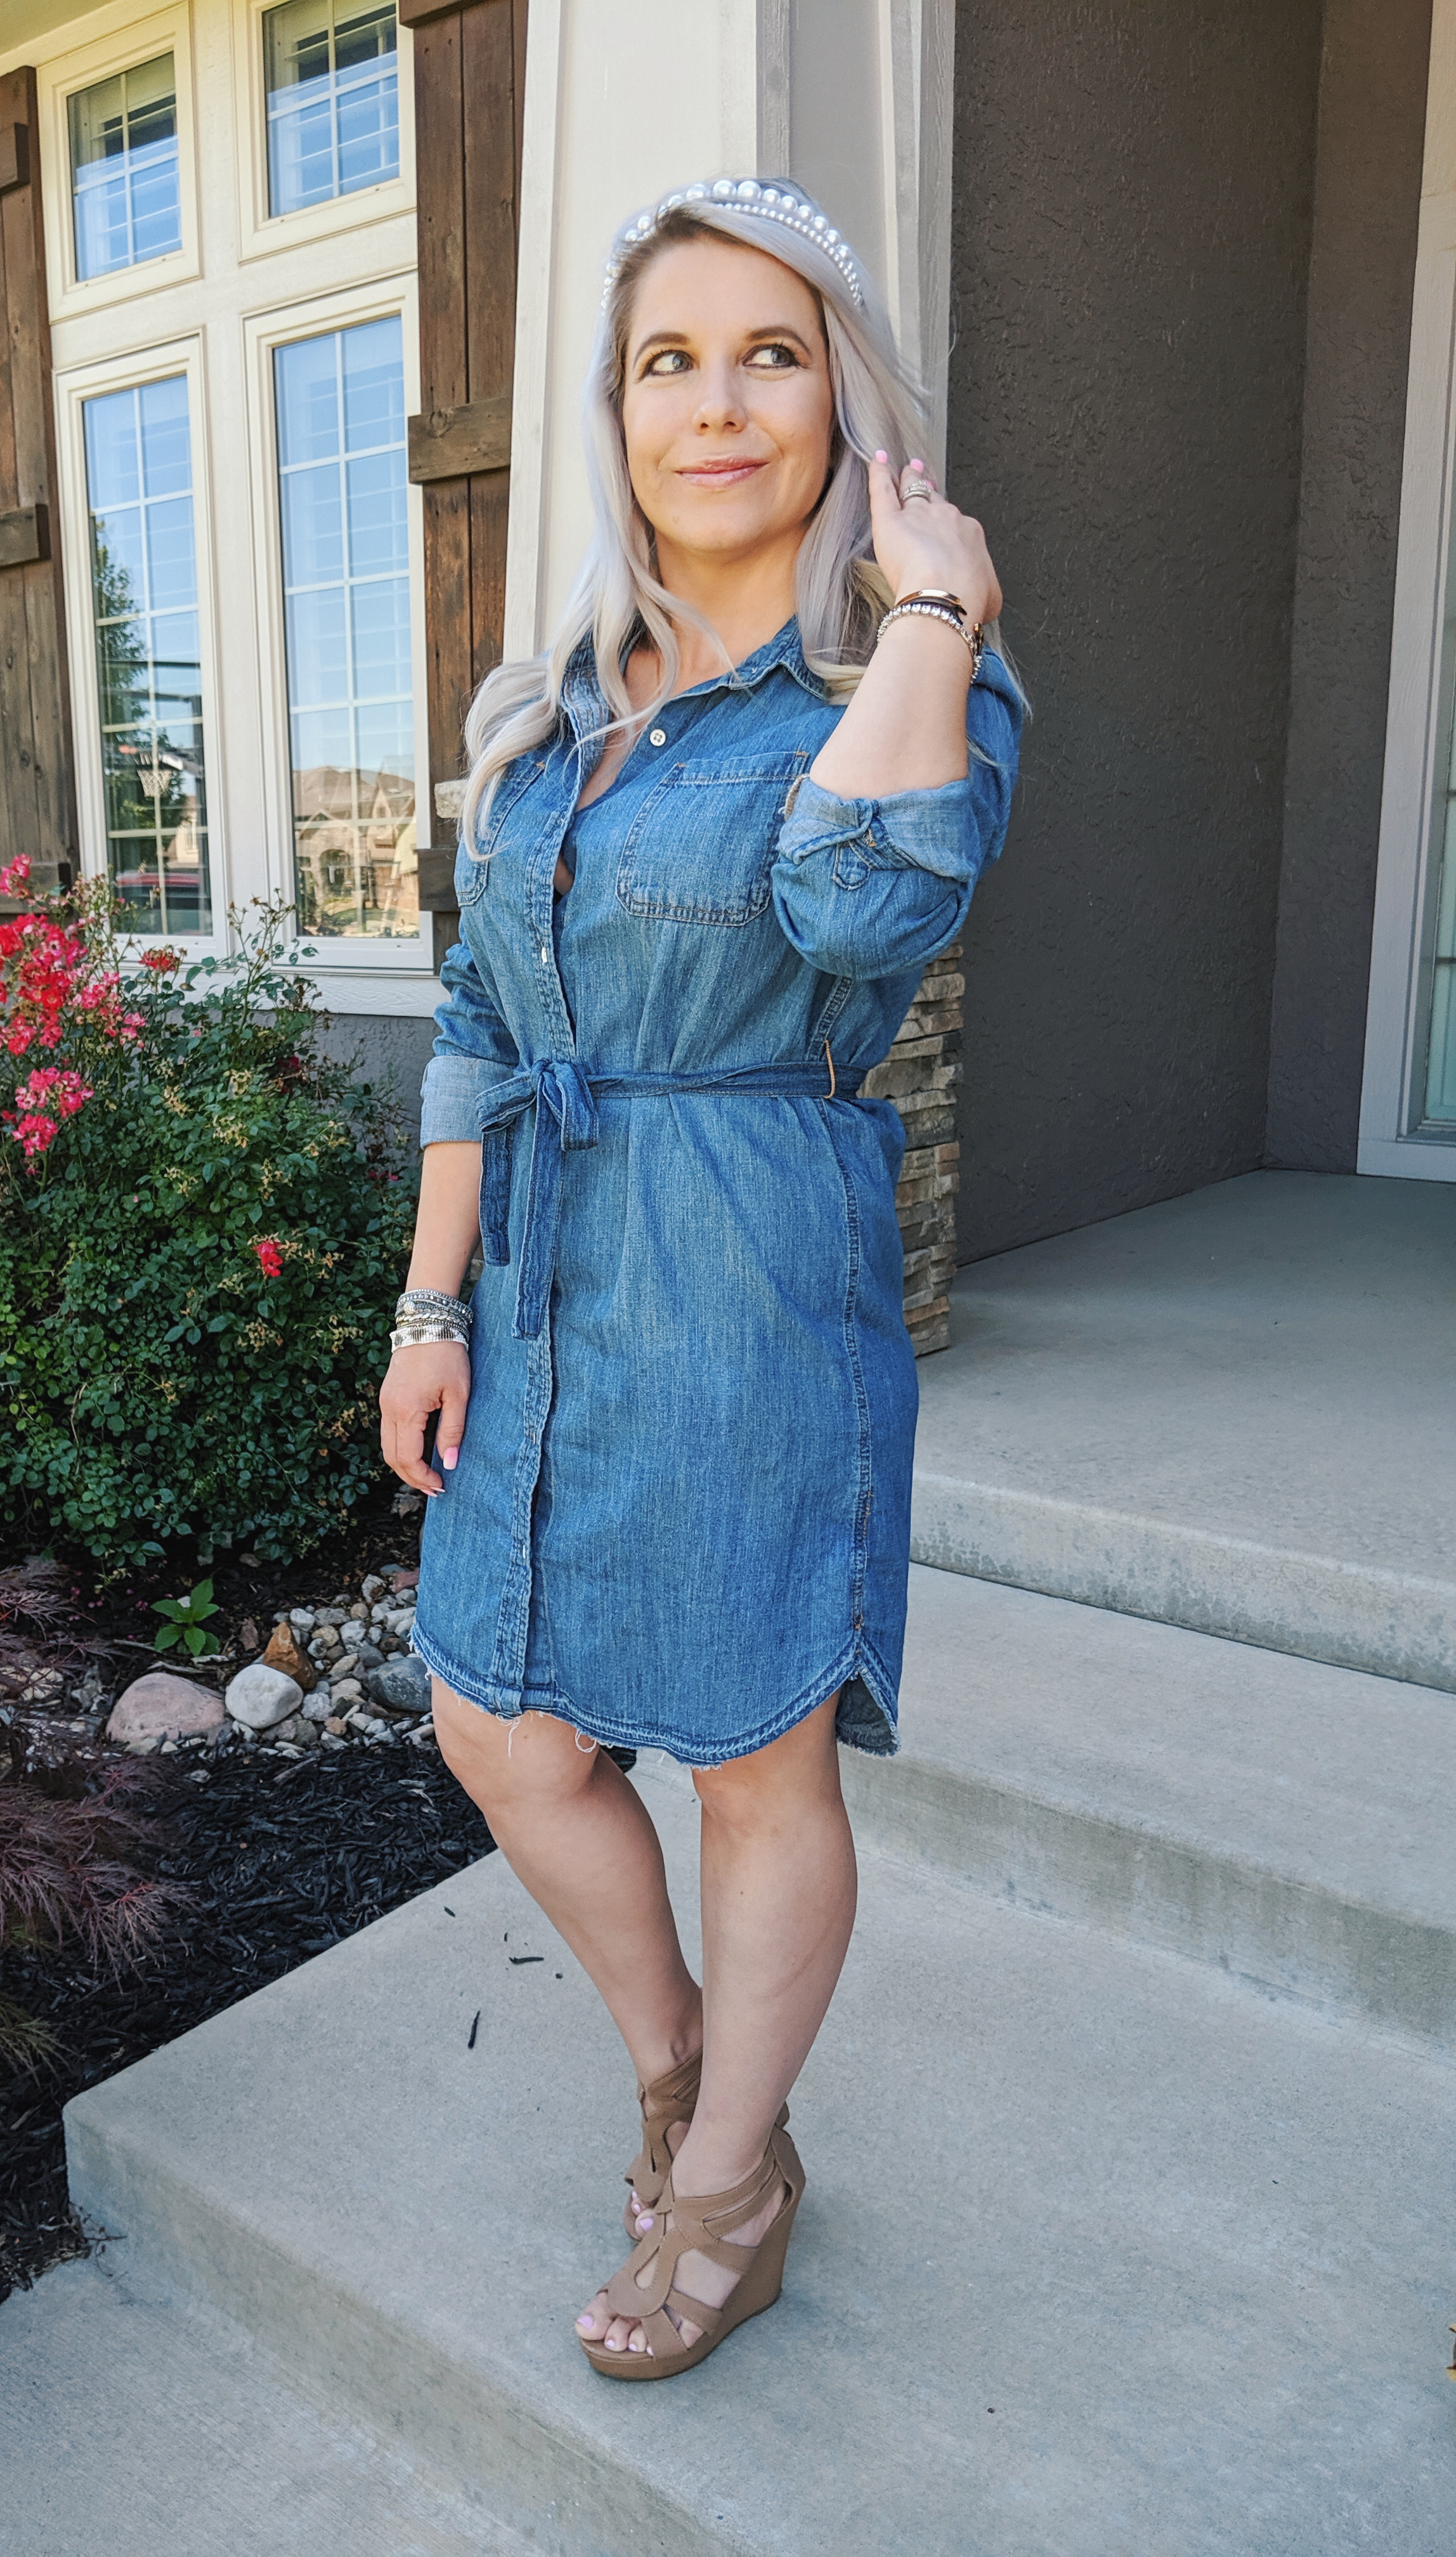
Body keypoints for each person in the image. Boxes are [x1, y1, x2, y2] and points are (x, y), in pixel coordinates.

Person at [378, 176, 1020, 2380]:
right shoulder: (549, 703)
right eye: (672, 360)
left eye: (773, 351)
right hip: (545, 1269)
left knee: (757, 1755)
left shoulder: (912, 679)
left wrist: (931, 610)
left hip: (750, 1268)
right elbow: (475, 1011)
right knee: (496, 1710)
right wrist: (430, 1303)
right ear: (617, 412)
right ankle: (681, 2075)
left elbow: (856, 919)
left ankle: (729, 2181)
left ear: (850, 398)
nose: (719, 402)